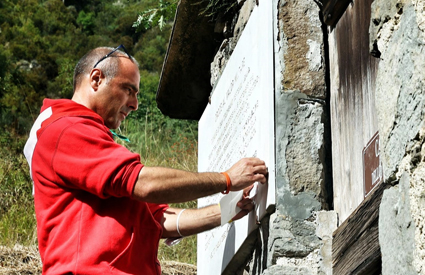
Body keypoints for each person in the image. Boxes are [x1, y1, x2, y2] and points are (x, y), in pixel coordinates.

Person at [23, 45, 268, 275]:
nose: (135, 104)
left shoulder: (88, 144)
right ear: (96, 79)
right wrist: (226, 179)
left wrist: (226, 211)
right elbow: (143, 183)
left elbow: (160, 219)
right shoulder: (65, 129)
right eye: (129, 90)